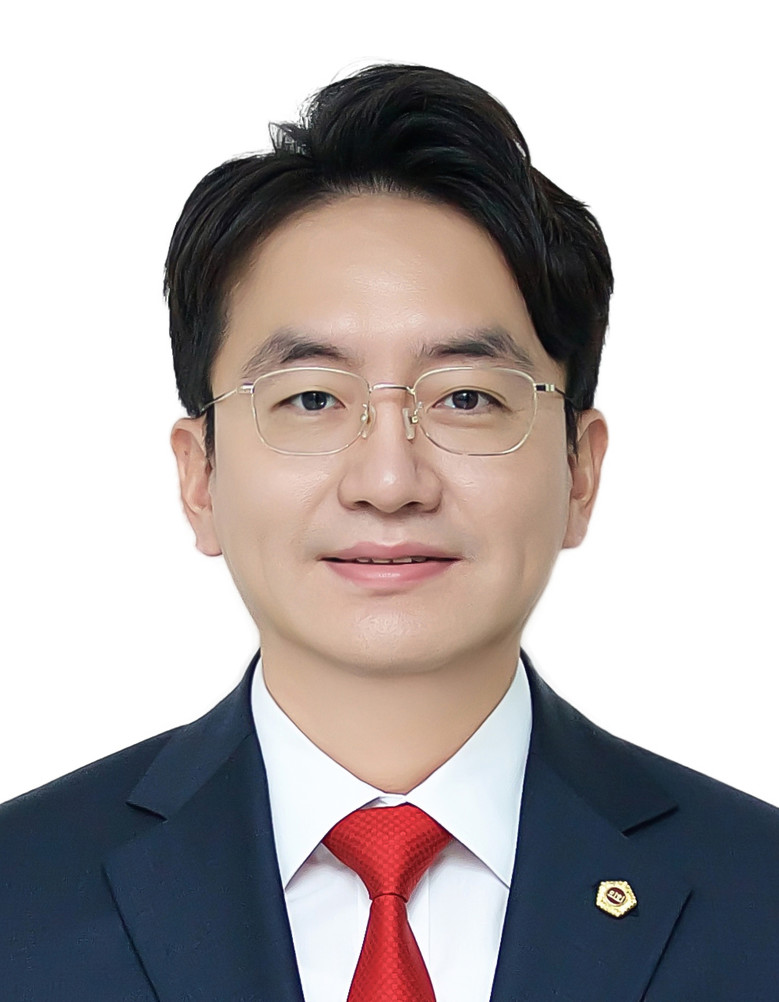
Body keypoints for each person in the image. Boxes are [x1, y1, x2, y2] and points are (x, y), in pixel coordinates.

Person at [1, 62, 776, 1002]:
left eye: (467, 398)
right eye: (310, 398)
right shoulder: (20, 895)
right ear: (199, 476)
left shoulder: (756, 897)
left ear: (579, 470)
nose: (388, 481)